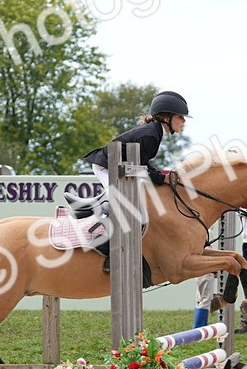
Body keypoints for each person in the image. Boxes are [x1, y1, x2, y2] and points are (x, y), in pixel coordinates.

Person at [80, 90, 189, 270]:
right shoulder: (151, 135)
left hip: (120, 167)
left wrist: (163, 177)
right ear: (167, 118)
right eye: (181, 117)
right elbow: (143, 169)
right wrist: (163, 177)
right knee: (123, 204)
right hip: (106, 167)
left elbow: (142, 165)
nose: (183, 122)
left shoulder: (155, 132)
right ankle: (106, 248)